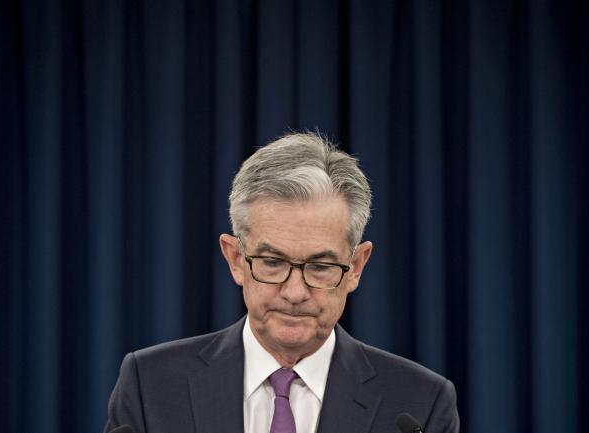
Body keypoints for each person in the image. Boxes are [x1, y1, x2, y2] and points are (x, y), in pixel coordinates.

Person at [104, 132, 459, 433]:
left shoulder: (419, 404)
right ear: (235, 259)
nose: (294, 293)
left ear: (355, 267)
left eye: (320, 266)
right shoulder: (150, 385)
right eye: (272, 263)